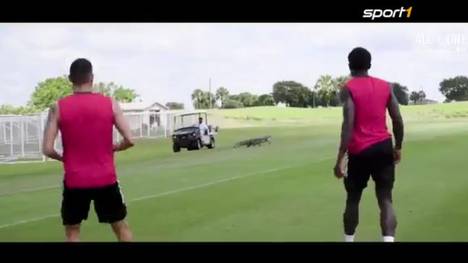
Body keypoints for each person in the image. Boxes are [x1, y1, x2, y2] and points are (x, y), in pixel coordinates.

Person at [42, 58, 135, 242]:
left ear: (70, 79)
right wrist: (115, 148)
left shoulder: (58, 107)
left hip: (75, 180)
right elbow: (130, 140)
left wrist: (65, 159)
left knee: (73, 231)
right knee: (120, 227)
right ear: (92, 77)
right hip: (106, 178)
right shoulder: (110, 103)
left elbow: (47, 149)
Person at [333, 47, 404, 242]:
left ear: (349, 65)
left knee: (353, 198)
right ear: (369, 65)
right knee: (385, 199)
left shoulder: (348, 89)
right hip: (383, 148)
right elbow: (397, 119)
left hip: (359, 152)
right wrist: (398, 147)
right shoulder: (386, 86)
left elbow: (347, 126)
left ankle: (349, 240)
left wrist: (340, 159)